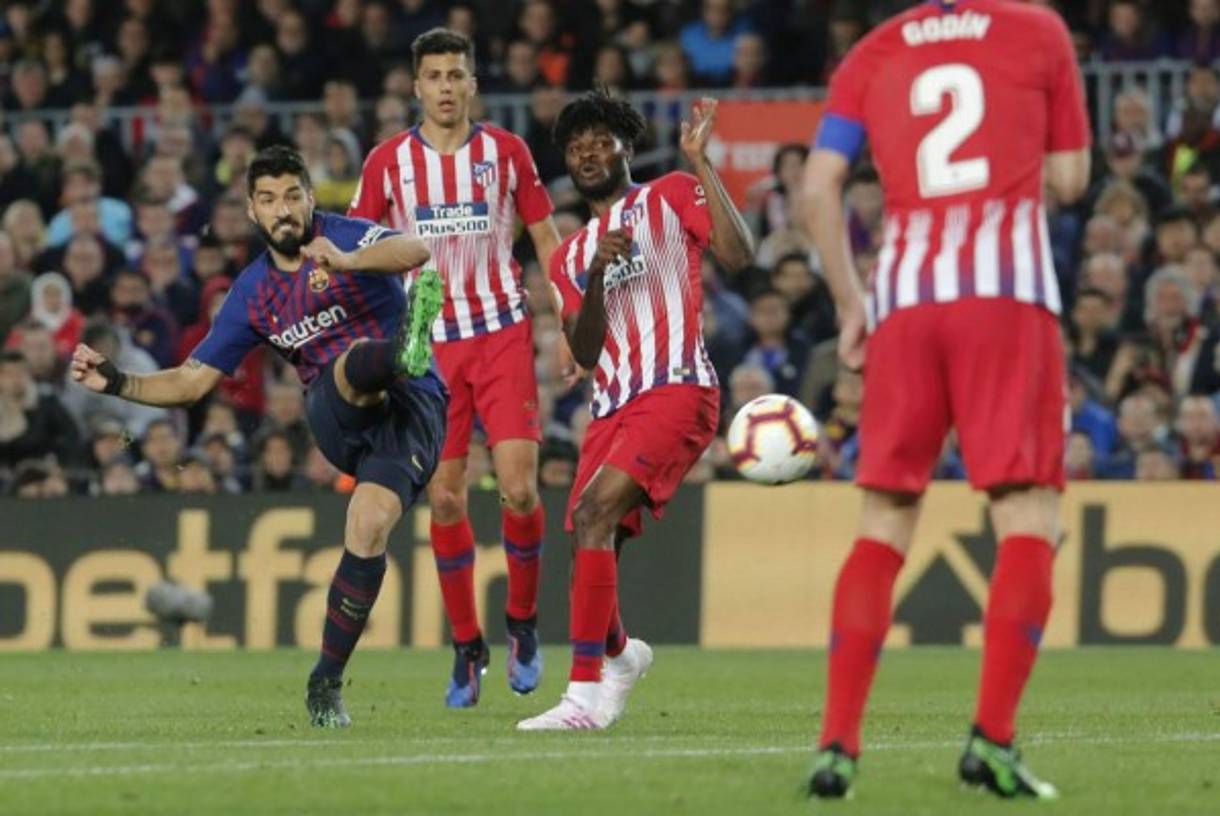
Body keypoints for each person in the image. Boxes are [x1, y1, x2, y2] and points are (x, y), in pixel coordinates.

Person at [802, 0, 1090, 800]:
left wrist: (851, 303)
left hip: (905, 303)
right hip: (1006, 297)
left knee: (885, 523)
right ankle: (992, 740)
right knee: (1029, 518)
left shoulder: (871, 51)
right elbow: (1069, 177)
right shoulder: (1038, 30)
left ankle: (837, 749)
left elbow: (819, 189)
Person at [69, 145, 448, 729]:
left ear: (308, 197)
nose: (283, 210)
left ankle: (324, 682)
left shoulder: (344, 235)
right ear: (252, 210)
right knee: (349, 363)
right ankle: (398, 352)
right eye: (268, 200)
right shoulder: (252, 292)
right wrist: (116, 381)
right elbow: (193, 382)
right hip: (336, 407)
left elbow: (417, 250)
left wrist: (347, 262)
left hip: (413, 410)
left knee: (369, 526)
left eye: (292, 196)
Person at [517, 90, 753, 730]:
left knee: (594, 513)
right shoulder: (567, 256)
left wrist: (703, 164)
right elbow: (586, 349)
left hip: (676, 388)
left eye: (601, 141)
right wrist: (594, 272)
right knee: (592, 537)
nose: (588, 153)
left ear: (627, 147)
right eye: (576, 146)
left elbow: (738, 255)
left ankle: (582, 698)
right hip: (612, 404)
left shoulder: (671, 194)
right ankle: (620, 655)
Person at [349, 28, 561, 708]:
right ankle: (467, 647)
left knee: (521, 490)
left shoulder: (506, 153)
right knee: (444, 496)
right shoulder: (388, 163)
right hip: (427, 349)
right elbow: (361, 246)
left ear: (473, 84)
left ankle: (522, 626)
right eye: (433, 75)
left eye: (455, 74)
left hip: (501, 334)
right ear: (416, 87)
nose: (445, 86)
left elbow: (546, 237)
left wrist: (571, 318)